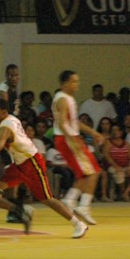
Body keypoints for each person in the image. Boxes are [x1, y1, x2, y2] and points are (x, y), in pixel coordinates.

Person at [0, 99, 89, 238]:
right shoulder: (11, 119)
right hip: (19, 163)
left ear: (4, 112)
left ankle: (78, 224)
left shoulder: (4, 128)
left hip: (32, 162)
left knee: (47, 198)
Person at [53, 71, 106, 224]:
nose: (77, 84)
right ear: (65, 83)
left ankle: (70, 199)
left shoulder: (68, 98)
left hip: (68, 137)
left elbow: (74, 123)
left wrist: (93, 132)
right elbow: (62, 123)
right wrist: (71, 139)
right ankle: (83, 206)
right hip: (67, 138)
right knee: (94, 171)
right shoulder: (62, 99)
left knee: (84, 173)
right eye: (74, 81)